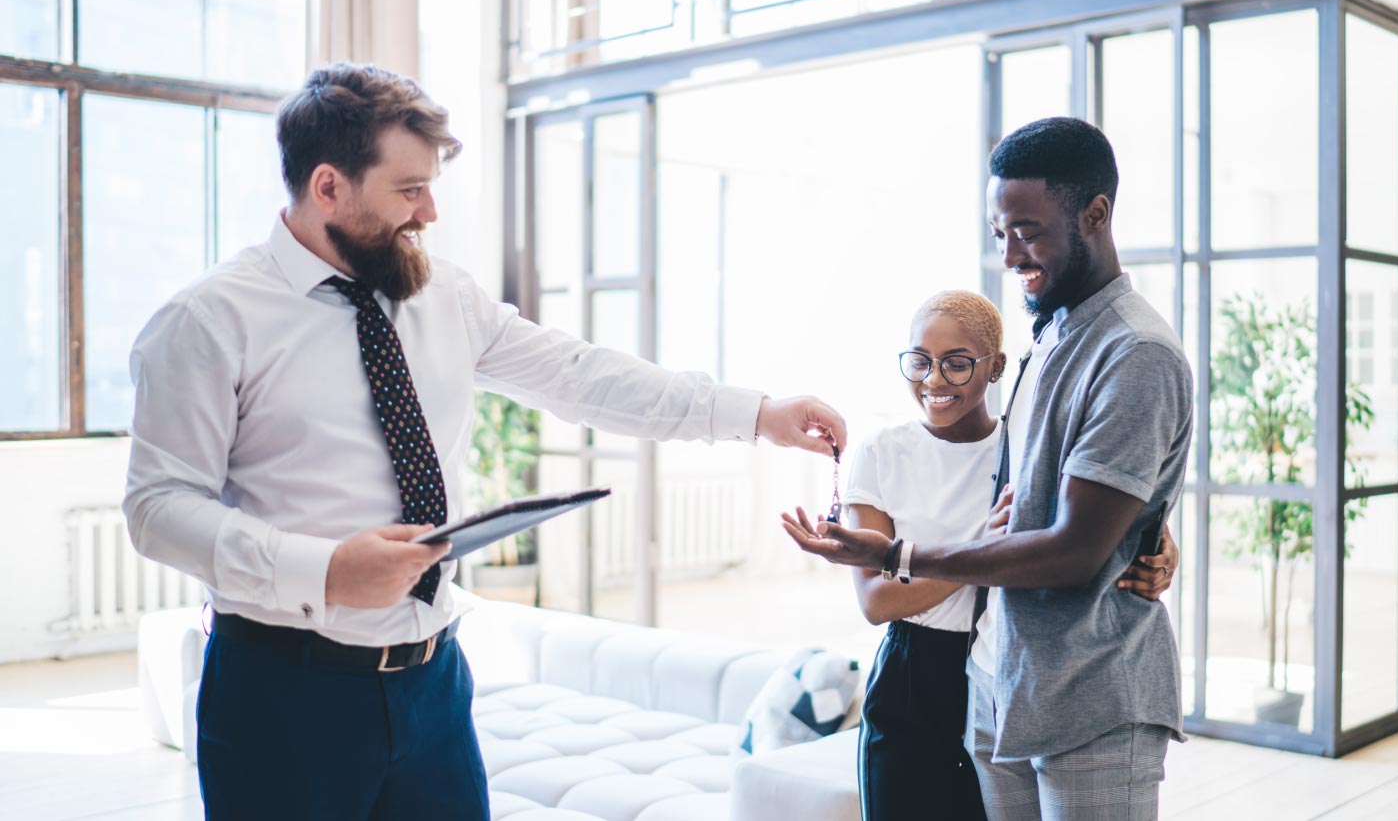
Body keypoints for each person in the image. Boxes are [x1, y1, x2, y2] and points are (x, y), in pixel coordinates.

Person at [123, 63, 846, 821]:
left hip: (433, 684)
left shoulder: (444, 296)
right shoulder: (206, 322)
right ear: (328, 186)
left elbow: (581, 375)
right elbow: (158, 507)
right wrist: (327, 570)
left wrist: (756, 413)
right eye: (409, 190)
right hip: (282, 694)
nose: (430, 212)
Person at [785, 116, 1192, 821]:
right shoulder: (1049, 339)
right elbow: (1051, 506)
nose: (1008, 256)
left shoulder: (1135, 353)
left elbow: (1073, 551)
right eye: (999, 234)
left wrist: (898, 554)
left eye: (1026, 231)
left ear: (1095, 215)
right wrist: (1143, 534)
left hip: (1090, 701)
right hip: (999, 685)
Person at [822, 291, 1176, 821]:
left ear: (997, 369)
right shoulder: (881, 450)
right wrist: (984, 552)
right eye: (920, 361)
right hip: (910, 680)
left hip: (998, 674)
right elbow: (875, 601)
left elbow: (1095, 523)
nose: (934, 380)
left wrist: (1161, 549)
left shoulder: (1027, 448)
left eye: (957, 364)